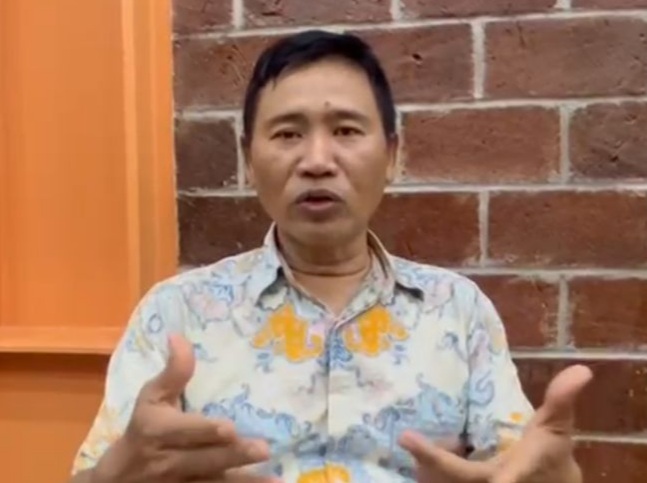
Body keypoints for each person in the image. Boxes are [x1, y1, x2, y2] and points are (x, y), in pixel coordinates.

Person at [68, 30, 591, 483]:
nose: (317, 161)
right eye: (288, 134)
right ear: (249, 158)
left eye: (345, 131)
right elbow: (100, 471)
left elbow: (520, 466)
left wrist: (558, 476)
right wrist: (115, 475)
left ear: (392, 155)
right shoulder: (175, 313)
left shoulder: (458, 310)